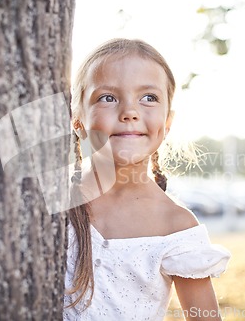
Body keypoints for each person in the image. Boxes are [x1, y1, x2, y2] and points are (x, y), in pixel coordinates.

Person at [64, 38, 230, 321]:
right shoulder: (53, 202)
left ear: (167, 122)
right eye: (108, 97)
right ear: (77, 119)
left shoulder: (175, 225)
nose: (130, 112)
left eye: (148, 98)